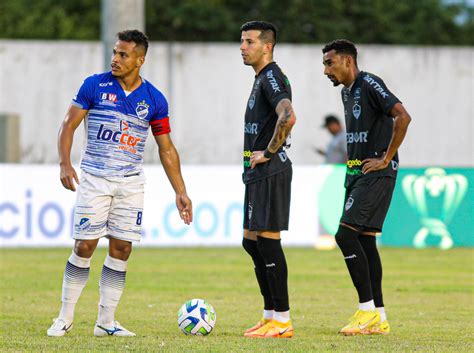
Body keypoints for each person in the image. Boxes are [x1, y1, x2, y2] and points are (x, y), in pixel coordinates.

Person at [47, 29, 193, 337]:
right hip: (95, 179)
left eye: (123, 54)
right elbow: (68, 125)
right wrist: (64, 162)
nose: (115, 59)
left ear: (139, 59)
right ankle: (64, 317)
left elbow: (166, 148)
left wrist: (181, 191)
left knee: (122, 247)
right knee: (84, 245)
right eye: (114, 52)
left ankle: (106, 322)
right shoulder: (94, 86)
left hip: (130, 183)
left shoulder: (154, 100)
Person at [322, 39, 411, 335]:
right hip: (357, 173)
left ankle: (366, 311)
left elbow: (403, 116)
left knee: (344, 235)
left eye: (329, 63)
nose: (325, 70)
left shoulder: (370, 82)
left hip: (375, 173)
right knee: (365, 241)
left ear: (347, 61)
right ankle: (379, 317)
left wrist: (386, 158)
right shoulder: (348, 92)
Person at [239, 21, 297, 339]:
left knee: (268, 241)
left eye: (249, 42)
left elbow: (288, 115)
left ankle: (283, 320)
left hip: (270, 172)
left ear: (267, 46)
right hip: (256, 174)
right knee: (251, 242)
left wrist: (269, 153)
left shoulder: (272, 76)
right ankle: (269, 314)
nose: (243, 47)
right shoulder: (260, 78)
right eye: (242, 42)